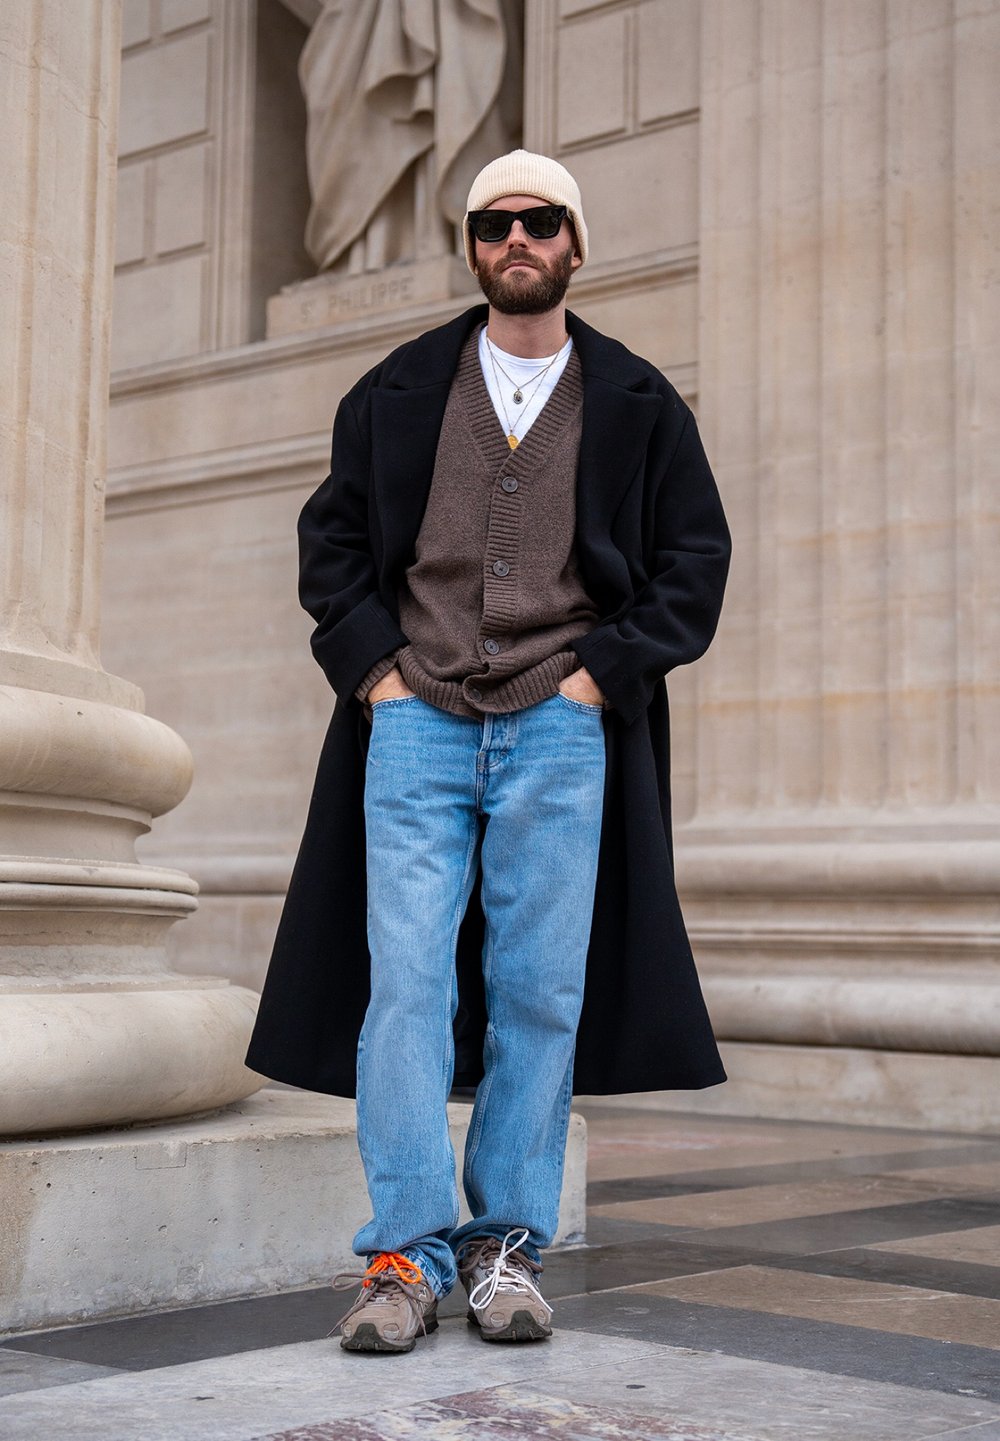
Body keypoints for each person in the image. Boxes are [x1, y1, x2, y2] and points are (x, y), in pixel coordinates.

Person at [245, 149, 731, 1353]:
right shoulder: (397, 391)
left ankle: (503, 1243)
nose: (516, 239)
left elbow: (694, 565)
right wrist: (378, 676)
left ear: (575, 242)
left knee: (536, 993)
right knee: (403, 984)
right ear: (470, 247)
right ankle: (405, 1253)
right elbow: (332, 550)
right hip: (413, 727)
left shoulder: (637, 402)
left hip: (561, 733)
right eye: (493, 223)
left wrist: (591, 682)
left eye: (540, 220)